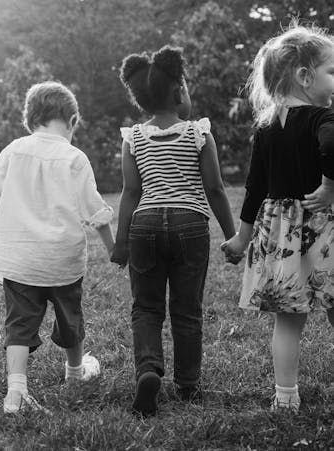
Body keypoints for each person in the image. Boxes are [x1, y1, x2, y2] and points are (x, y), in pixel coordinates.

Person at [111, 46, 236, 416]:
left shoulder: (132, 137)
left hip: (145, 226)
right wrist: (231, 236)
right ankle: (188, 384)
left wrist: (121, 243)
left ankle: (148, 370)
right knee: (187, 309)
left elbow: (131, 192)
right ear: (180, 92)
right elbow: (214, 189)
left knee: (146, 308)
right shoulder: (199, 133)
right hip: (190, 226)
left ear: (139, 100)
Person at [0, 81, 114, 414]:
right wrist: (114, 249)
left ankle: (16, 391)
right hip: (62, 259)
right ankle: (75, 373)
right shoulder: (74, 158)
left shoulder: (15, 149)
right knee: (71, 318)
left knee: (19, 325)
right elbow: (94, 211)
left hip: (21, 257)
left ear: (30, 119)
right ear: (72, 120)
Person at [221, 24, 334, 411]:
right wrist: (330, 186)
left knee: (287, 320)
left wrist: (241, 237)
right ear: (305, 77)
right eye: (331, 71)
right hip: (322, 229)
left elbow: (255, 187)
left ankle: (286, 397)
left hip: (279, 233)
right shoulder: (322, 117)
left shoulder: (266, 127)